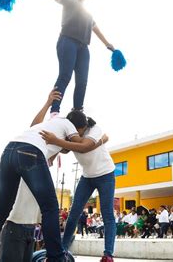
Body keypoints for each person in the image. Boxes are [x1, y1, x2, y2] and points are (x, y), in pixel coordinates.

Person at [0, 90, 102, 262]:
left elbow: (35, 126)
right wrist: (97, 137)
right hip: (30, 153)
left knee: (3, 207)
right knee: (50, 208)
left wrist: (47, 104)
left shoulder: (52, 123)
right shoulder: (68, 124)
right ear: (77, 127)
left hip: (9, 151)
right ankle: (56, 256)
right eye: (80, 131)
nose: (79, 134)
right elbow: (80, 145)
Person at [19, 0, 115, 115]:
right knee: (65, 75)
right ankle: (54, 111)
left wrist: (108, 45)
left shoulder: (88, 14)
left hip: (83, 48)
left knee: (82, 81)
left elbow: (96, 29)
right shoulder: (70, 0)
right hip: (68, 41)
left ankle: (77, 111)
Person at [43, 110, 116, 261]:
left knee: (107, 214)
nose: (75, 133)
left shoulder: (94, 130)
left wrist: (56, 140)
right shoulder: (71, 132)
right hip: (87, 177)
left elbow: (84, 146)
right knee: (73, 214)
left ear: (84, 126)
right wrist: (53, 154)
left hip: (106, 175)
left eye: (78, 130)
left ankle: (108, 254)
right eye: (72, 130)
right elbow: (64, 148)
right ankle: (62, 250)